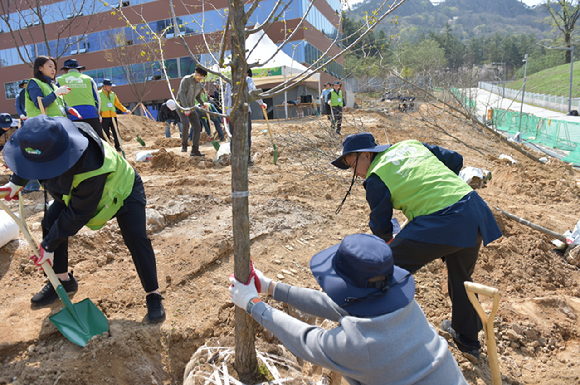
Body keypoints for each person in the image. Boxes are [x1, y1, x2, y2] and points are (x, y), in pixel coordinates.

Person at [330, 132, 502, 363]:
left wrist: (391, 247)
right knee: (462, 277)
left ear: (366, 155)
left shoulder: (375, 177)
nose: (356, 173)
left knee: (384, 270)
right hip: (473, 210)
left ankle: (374, 335)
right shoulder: (410, 146)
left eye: (353, 166)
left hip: (444, 219)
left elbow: (381, 228)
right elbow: (456, 160)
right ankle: (468, 340)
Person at [229, 233, 468, 385]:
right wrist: (269, 287)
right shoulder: (404, 306)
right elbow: (334, 306)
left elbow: (306, 340)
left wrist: (252, 304)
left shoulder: (360, 345)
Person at [0, 115, 165, 323]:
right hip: (74, 192)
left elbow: (78, 213)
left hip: (123, 190)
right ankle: (62, 281)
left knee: (136, 238)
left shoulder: (90, 166)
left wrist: (49, 245)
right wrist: (15, 184)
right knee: (49, 222)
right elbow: (32, 160)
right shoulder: (54, 137)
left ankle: (153, 294)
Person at [223, 69, 266, 166]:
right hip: (244, 112)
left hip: (232, 113)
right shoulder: (248, 79)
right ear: (247, 73)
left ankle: (234, 159)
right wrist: (261, 103)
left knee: (233, 137)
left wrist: (226, 113)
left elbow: (225, 99)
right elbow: (254, 92)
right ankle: (246, 159)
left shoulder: (229, 82)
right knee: (246, 136)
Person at [57, 59, 104, 139]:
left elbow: (57, 99)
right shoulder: (89, 79)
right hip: (91, 114)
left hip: (72, 116)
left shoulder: (59, 80)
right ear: (79, 70)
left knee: (77, 143)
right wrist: (97, 114)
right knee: (98, 141)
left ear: (65, 70)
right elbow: (97, 99)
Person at [176, 67, 207, 156]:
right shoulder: (186, 80)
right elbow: (181, 93)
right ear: (195, 72)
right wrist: (185, 107)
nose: (201, 78)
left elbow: (198, 97)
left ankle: (195, 149)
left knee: (197, 126)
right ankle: (184, 144)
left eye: (203, 77)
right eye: (200, 75)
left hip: (191, 106)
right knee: (185, 123)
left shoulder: (199, 85)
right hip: (181, 106)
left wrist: (202, 103)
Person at [99, 79, 131, 152]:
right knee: (106, 133)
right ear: (104, 85)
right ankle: (108, 148)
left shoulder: (112, 94)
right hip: (104, 116)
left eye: (111, 86)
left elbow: (117, 104)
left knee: (116, 131)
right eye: (109, 86)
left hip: (113, 115)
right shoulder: (99, 94)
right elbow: (97, 104)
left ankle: (117, 146)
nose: (110, 87)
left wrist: (125, 110)